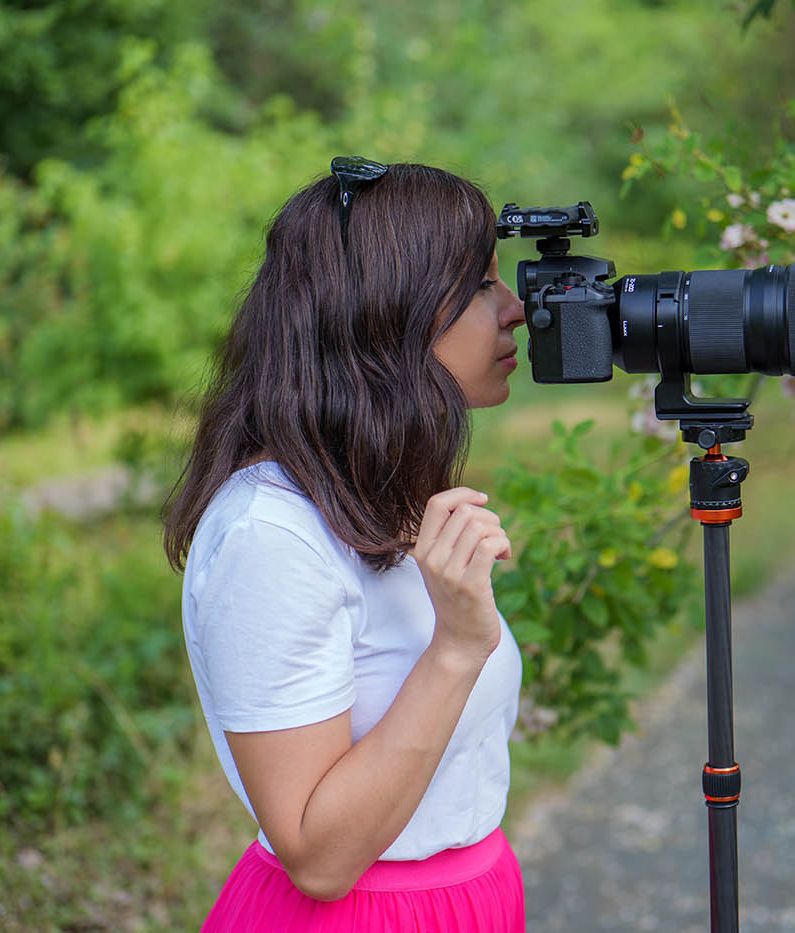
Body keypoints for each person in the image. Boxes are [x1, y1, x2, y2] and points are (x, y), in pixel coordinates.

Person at [162, 158, 529, 931]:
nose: (516, 308)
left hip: (474, 897)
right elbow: (319, 856)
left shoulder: (381, 491)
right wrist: (457, 646)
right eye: (479, 286)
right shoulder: (271, 533)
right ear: (385, 312)